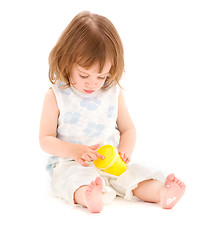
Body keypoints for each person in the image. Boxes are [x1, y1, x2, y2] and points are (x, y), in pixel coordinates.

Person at [39, 11, 185, 213]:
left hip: (110, 161)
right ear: (66, 60)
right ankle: (89, 196)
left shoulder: (112, 92)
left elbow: (128, 130)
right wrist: (75, 151)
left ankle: (161, 192)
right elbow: (45, 139)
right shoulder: (56, 96)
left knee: (133, 175)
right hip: (70, 163)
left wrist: (124, 152)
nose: (92, 83)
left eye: (101, 76)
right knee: (72, 181)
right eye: (84, 75)